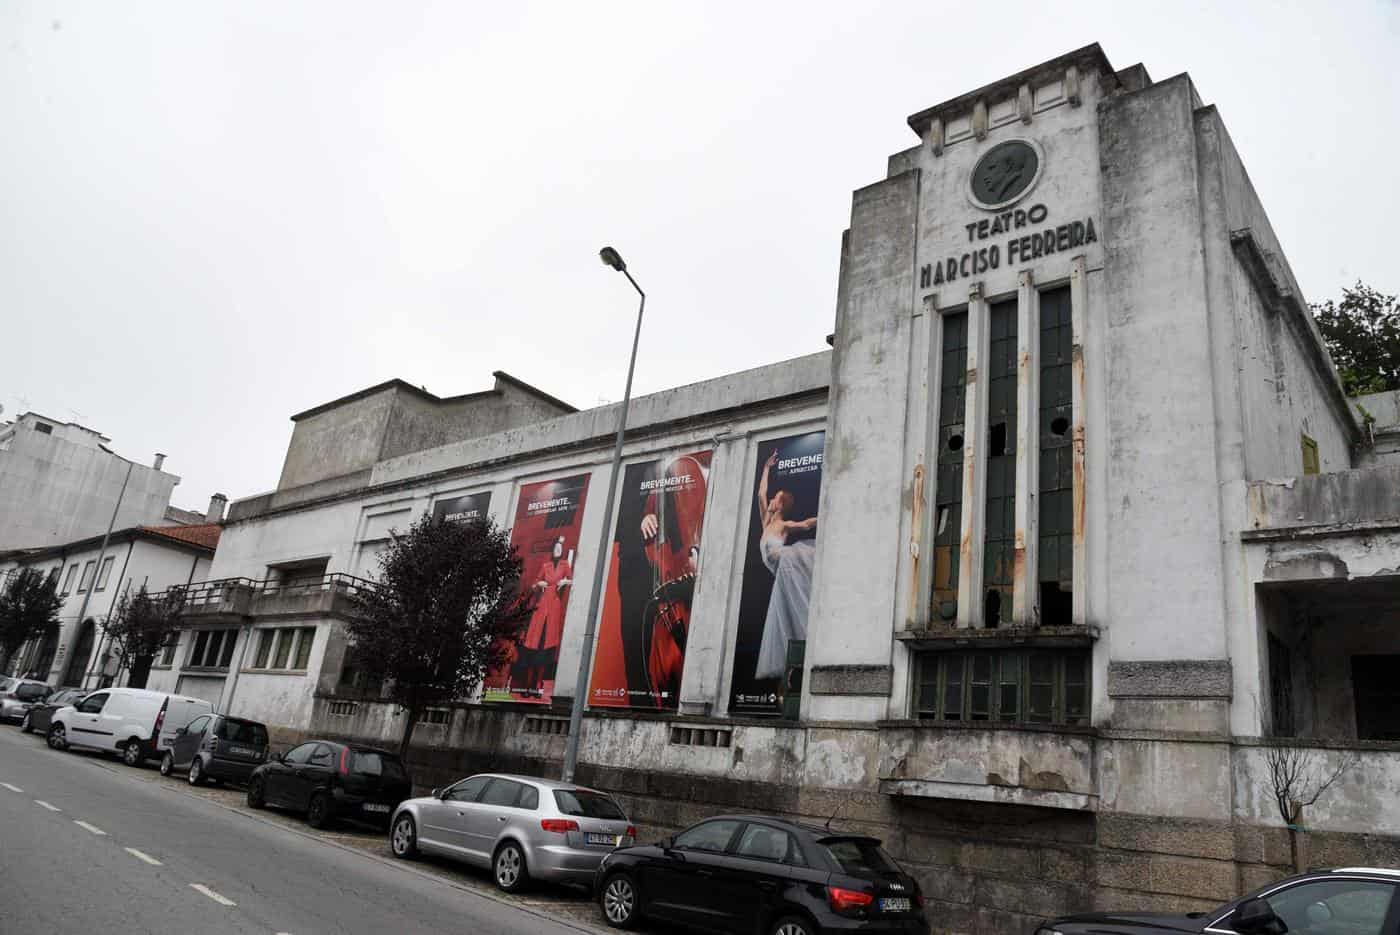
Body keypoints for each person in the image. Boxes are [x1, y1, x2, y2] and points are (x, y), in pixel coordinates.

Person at [754, 450, 818, 680]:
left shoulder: (783, 525)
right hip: (779, 568)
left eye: (775, 498)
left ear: (780, 505)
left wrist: (826, 515)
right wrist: (766, 468)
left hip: (787, 561)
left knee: (803, 553)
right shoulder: (766, 522)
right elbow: (760, 493)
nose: (771, 499)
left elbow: (806, 525)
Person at [511, 537, 572, 698]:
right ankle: (527, 687)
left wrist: (566, 581)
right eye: (556, 548)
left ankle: (538, 687)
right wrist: (539, 584)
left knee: (546, 650)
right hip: (541, 609)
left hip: (554, 609)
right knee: (534, 648)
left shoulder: (565, 565)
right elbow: (534, 584)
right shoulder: (546, 566)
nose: (558, 550)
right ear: (552, 550)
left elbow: (572, 580)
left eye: (560, 548)